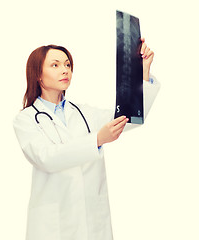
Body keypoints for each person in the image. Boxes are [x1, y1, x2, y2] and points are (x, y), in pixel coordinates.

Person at [13, 38, 159, 240]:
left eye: (67, 64)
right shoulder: (26, 119)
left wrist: (141, 71)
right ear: (37, 74)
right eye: (55, 65)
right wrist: (96, 140)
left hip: (92, 222)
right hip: (53, 226)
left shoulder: (84, 113)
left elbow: (129, 117)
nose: (65, 70)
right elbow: (45, 157)